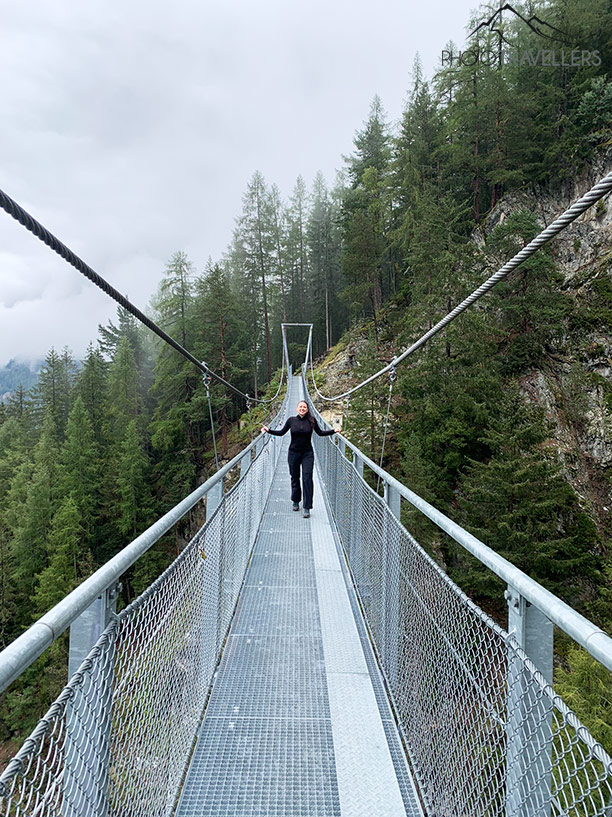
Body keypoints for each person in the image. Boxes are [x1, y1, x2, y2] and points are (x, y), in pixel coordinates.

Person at [262, 400, 339, 518]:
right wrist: (269, 430)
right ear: (297, 409)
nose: (302, 409)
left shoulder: (312, 421)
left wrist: (334, 430)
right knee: (295, 477)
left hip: (307, 453)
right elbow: (281, 432)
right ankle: (296, 500)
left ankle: (307, 507)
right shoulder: (291, 420)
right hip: (293, 453)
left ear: (307, 409)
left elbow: (320, 433)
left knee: (307, 478)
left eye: (304, 407)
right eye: (300, 407)